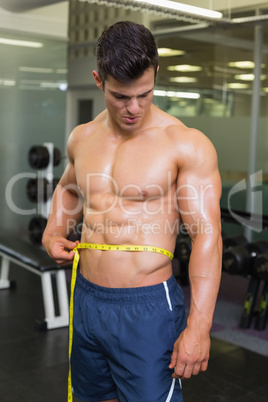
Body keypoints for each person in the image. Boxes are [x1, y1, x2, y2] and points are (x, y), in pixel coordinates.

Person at [42, 21, 222, 402]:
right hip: (87, 300)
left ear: (156, 73)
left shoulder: (186, 145)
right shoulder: (82, 137)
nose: (134, 108)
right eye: (121, 96)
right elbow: (69, 188)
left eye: (145, 93)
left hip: (147, 308)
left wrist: (199, 326)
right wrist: (53, 231)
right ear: (98, 80)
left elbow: (207, 235)